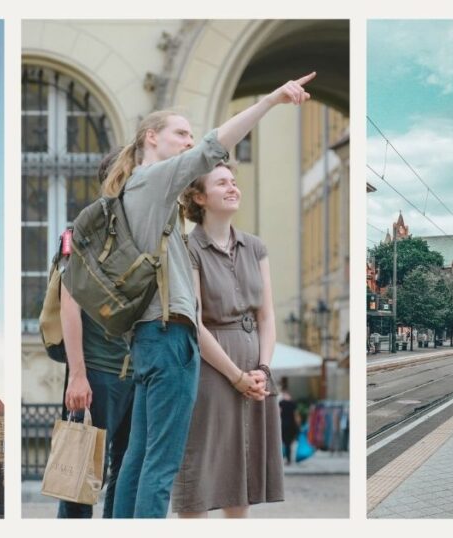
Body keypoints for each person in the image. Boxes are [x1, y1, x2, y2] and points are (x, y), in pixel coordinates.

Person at [109, 72, 316, 518]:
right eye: (180, 133)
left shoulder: (139, 189)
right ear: (152, 138)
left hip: (150, 338)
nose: (188, 142)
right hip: (170, 341)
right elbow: (214, 145)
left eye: (189, 134)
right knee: (165, 467)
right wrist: (272, 99)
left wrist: (259, 367)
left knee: (139, 457)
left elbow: (265, 316)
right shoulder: (154, 182)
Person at [171, 163, 284, 518]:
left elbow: (267, 316)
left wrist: (263, 369)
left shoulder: (255, 247)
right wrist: (237, 376)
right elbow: (194, 321)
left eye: (234, 182)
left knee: (242, 479)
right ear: (200, 197)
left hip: (255, 369)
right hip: (211, 368)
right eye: (222, 183)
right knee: (200, 477)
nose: (233, 188)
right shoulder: (189, 247)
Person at [56, 149, 134, 519]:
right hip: (97, 373)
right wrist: (78, 374)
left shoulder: (146, 229)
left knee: (126, 475)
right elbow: (68, 302)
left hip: (138, 372)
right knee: (80, 480)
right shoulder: (83, 229)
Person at [278, 379, 301, 467]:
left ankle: (284, 458)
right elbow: (296, 415)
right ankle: (288, 459)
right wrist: (298, 425)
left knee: (283, 442)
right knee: (289, 443)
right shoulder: (293, 403)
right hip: (291, 425)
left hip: (283, 424)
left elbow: (279, 414)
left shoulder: (281, 403)